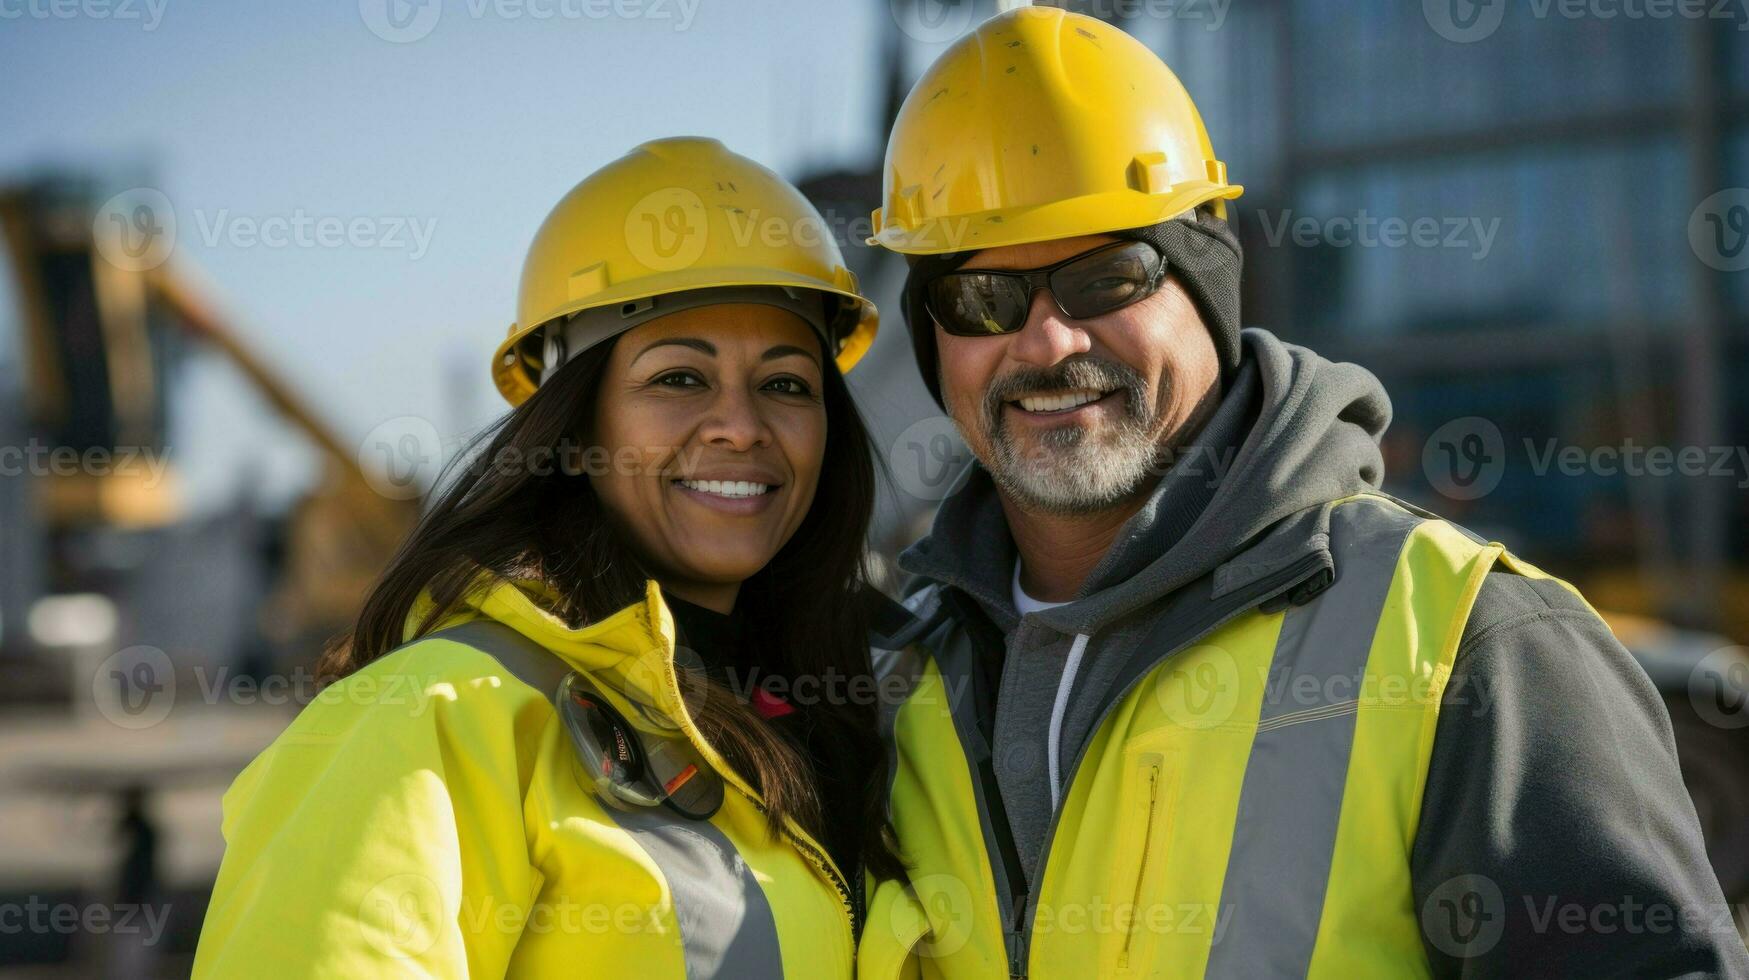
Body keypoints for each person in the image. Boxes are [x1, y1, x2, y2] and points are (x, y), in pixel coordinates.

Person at [857, 7, 1749, 979]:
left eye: (1106, 277)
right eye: (981, 297)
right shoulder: (904, 677)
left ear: (1206, 280)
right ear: (934, 336)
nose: (1048, 342)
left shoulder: (1471, 644)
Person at [192, 136, 902, 977]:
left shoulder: (850, 712)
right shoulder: (429, 717)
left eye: (786, 384)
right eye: (679, 378)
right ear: (572, 431)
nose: (741, 426)